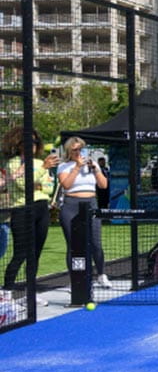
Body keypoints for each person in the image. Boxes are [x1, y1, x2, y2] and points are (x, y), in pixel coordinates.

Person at [1, 127, 58, 304]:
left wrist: (39, 178)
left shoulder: (39, 162)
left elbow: (47, 187)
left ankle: (30, 292)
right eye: (27, 142)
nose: (31, 145)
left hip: (41, 207)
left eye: (34, 142)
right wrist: (41, 171)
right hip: (22, 210)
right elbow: (22, 185)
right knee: (21, 253)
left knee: (35, 253)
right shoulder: (13, 163)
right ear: (18, 145)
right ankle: (6, 292)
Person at [57, 137, 111, 289]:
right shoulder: (63, 166)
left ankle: (101, 274)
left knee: (96, 243)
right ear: (69, 150)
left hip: (90, 204)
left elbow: (103, 185)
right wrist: (76, 168)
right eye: (75, 149)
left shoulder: (92, 164)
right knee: (74, 245)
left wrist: (95, 169)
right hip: (71, 205)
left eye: (81, 149)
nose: (78, 152)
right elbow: (66, 185)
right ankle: (76, 278)